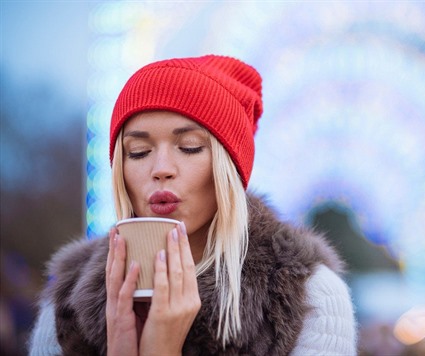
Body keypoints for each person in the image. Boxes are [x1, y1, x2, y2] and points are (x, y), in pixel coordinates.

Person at [28, 55, 357, 355]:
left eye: (189, 147)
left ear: (228, 167)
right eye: (138, 152)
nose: (161, 169)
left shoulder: (308, 294)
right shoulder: (66, 300)